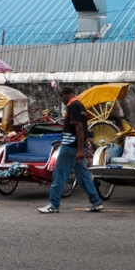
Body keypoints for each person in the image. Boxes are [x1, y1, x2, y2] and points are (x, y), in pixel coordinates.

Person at [38, 86, 104, 214]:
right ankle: (96, 202)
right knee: (83, 177)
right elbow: (82, 126)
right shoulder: (80, 105)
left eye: (61, 97)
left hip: (70, 148)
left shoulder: (73, 106)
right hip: (77, 147)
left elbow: (78, 127)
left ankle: (53, 205)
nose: (61, 100)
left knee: (59, 175)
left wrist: (79, 150)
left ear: (65, 95)